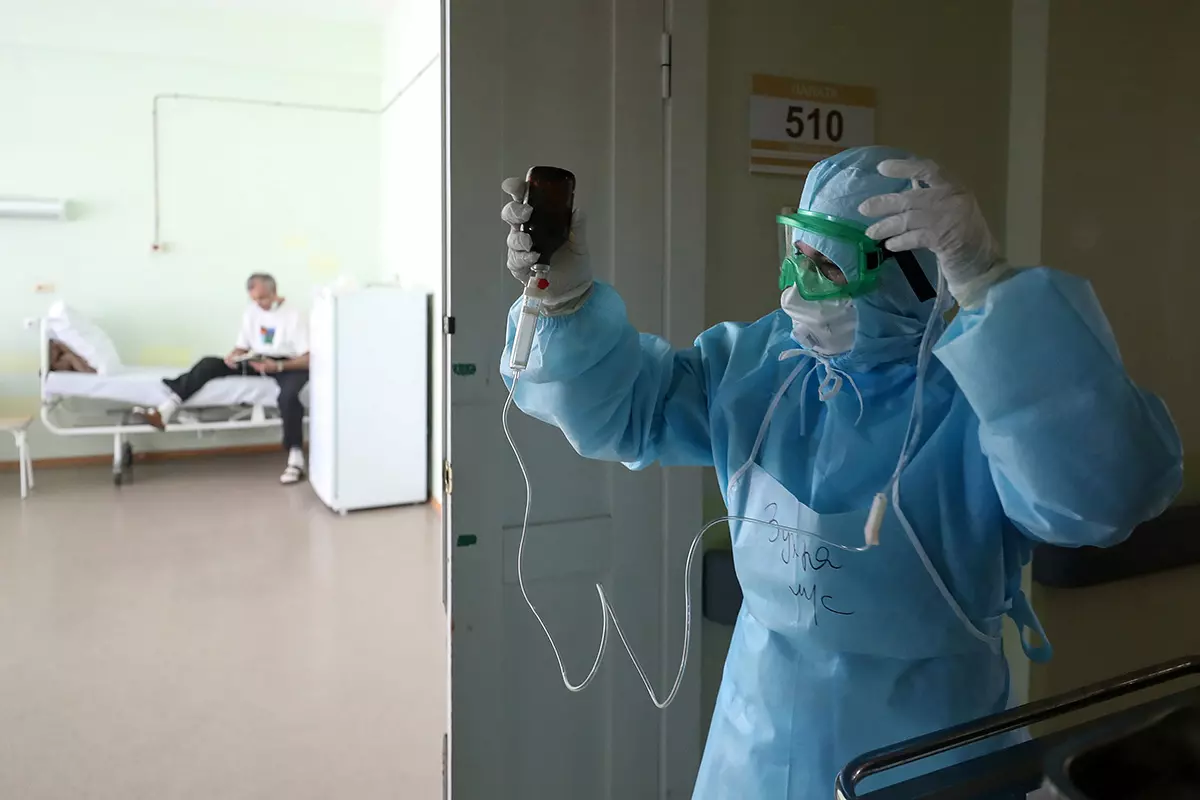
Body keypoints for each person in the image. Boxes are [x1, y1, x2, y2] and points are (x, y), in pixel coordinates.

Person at [498, 146, 1183, 798]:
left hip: (927, 758)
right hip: (755, 748)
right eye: (795, 255)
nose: (795, 289)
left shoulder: (985, 387)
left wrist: (986, 283)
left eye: (826, 267)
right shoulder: (765, 364)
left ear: (908, 277)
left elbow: (1104, 496)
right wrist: (564, 301)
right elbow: (628, 411)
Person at [137, 273, 311, 485]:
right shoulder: (252, 312)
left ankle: (295, 458)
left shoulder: (295, 314)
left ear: (275, 292)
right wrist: (233, 355)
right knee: (208, 364)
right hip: (258, 360)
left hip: (288, 364)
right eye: (254, 299)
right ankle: (164, 411)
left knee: (288, 397)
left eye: (263, 299)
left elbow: (308, 358)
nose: (259, 304)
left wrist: (278, 366)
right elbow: (242, 346)